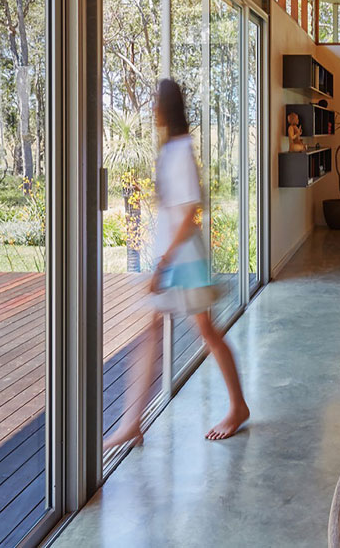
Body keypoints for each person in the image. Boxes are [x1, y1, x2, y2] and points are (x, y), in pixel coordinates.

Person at [105, 78, 250, 449]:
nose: (152, 108)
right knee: (155, 331)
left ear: (167, 108)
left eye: (156, 102)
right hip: (172, 258)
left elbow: (189, 211)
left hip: (183, 260)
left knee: (207, 332)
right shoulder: (171, 148)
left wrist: (163, 263)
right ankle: (132, 422)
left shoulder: (181, 150)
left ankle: (237, 407)